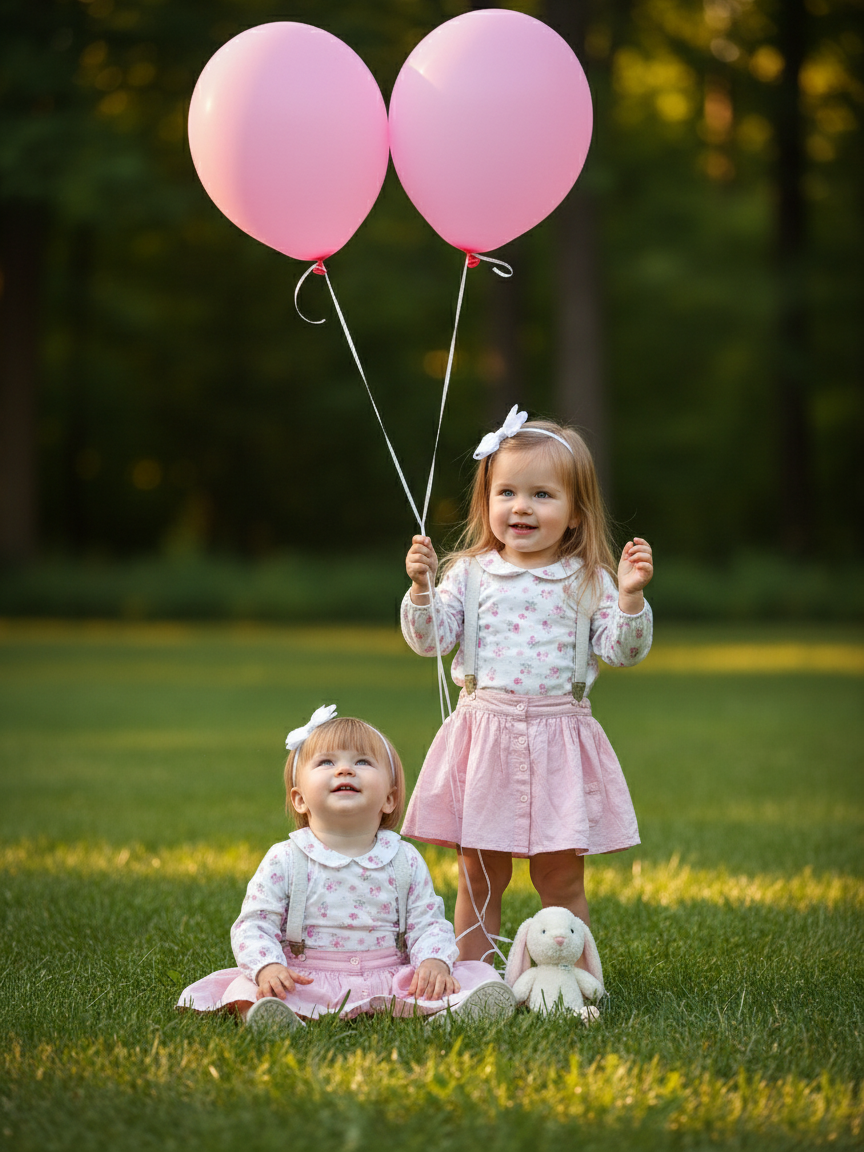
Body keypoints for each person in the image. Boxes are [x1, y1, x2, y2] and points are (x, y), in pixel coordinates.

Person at [402, 407, 654, 964]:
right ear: (486, 501)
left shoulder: (589, 580)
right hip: (485, 737)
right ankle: (473, 979)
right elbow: (430, 640)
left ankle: (572, 977)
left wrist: (630, 597)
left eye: (542, 495)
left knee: (559, 877)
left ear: (575, 513)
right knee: (479, 877)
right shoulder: (468, 574)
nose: (521, 507)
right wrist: (422, 589)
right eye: (507, 493)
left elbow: (623, 650)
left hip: (557, 739)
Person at [177, 706, 516, 1029]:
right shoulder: (286, 859)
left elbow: (427, 922)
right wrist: (268, 966)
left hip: (391, 977)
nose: (344, 770)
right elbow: (255, 924)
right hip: (306, 979)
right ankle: (278, 1019)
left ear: (389, 799)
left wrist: (433, 961)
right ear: (299, 799)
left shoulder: (404, 858)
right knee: (249, 989)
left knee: (476, 975)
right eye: (326, 762)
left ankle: (449, 1015)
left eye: (362, 762)